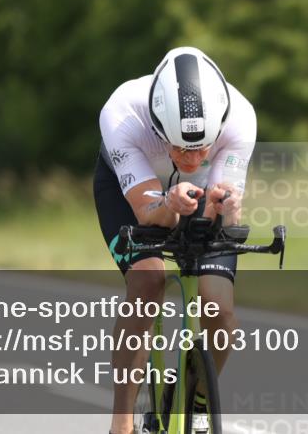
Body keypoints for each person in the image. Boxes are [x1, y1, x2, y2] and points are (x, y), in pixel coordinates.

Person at [94, 46, 256, 434]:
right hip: (132, 190)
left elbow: (229, 212)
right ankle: (122, 423)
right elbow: (147, 213)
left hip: (201, 195)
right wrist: (168, 202)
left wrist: (227, 207)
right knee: (148, 282)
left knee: (218, 307)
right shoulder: (122, 112)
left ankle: (199, 396)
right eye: (181, 147)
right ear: (157, 127)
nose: (193, 156)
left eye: (203, 146)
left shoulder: (241, 117)